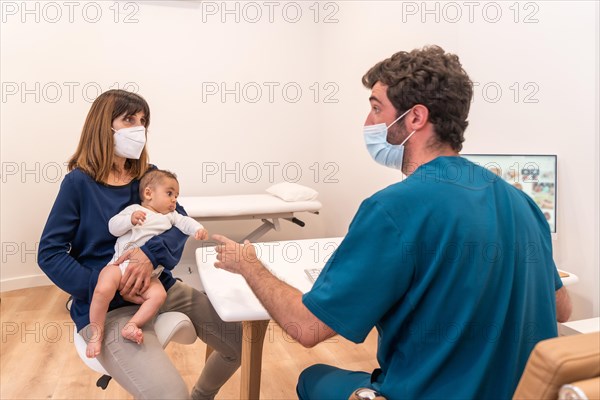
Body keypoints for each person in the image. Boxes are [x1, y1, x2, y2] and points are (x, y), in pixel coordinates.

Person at [212, 46, 572, 399]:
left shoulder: (393, 209)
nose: (367, 124)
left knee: (313, 377)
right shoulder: (523, 203)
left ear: (415, 118)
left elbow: (306, 327)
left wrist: (250, 266)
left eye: (375, 108)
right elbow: (561, 308)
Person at [38, 89, 241, 400]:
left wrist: (149, 256)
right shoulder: (78, 184)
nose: (139, 128)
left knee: (239, 344)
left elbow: (179, 222)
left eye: (143, 121)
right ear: (104, 126)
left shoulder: (146, 176)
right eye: (129, 119)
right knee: (171, 395)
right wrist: (103, 284)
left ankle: (203, 395)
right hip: (111, 306)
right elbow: (50, 254)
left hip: (162, 286)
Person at [86, 169, 209, 358]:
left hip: (149, 276)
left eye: (176, 195)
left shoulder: (172, 216)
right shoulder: (134, 210)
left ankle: (132, 324)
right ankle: (96, 332)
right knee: (102, 290)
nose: (174, 200)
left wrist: (198, 229)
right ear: (149, 193)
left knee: (158, 296)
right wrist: (129, 220)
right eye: (169, 193)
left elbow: (186, 223)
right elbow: (113, 227)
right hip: (120, 266)